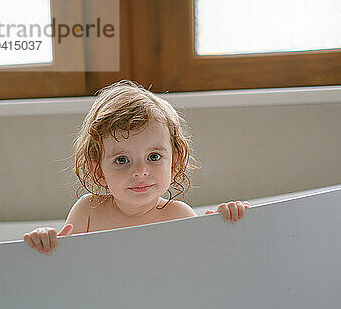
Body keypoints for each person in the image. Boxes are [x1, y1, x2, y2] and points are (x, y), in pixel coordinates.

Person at [23, 79, 250, 255]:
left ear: (175, 161)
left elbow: (205, 269)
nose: (140, 171)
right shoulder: (88, 212)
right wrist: (43, 244)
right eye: (122, 160)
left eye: (153, 156)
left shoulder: (179, 216)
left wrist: (224, 228)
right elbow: (64, 269)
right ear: (99, 171)